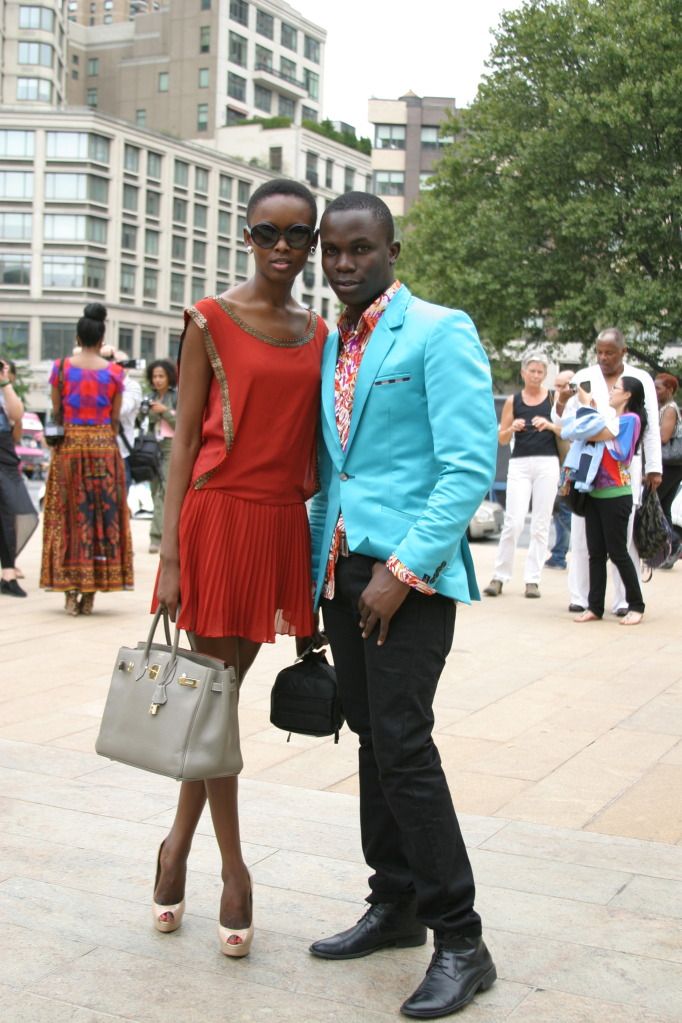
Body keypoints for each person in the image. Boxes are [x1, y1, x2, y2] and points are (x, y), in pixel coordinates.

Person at [307, 192, 498, 1020]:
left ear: (391, 247)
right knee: (373, 741)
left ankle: (462, 937)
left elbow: (466, 466)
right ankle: (395, 905)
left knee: (404, 743)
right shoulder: (330, 343)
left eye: (360, 249)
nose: (344, 263)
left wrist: (404, 569)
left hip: (407, 581)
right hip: (342, 571)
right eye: (332, 252)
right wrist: (320, 572)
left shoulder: (438, 329)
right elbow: (333, 467)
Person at [152, 179, 326, 958]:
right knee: (214, 706)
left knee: (218, 703)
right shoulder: (210, 319)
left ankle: (174, 847)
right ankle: (233, 869)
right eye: (268, 232)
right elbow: (183, 442)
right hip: (217, 520)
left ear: (312, 244)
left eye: (298, 235)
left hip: (280, 528)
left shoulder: (320, 332)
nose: (282, 248)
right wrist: (168, 555)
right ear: (245, 235)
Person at [553, 328, 661, 614]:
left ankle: (625, 600)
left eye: (609, 352)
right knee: (583, 537)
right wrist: (562, 401)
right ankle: (582, 597)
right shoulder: (583, 377)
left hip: (622, 471)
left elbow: (648, 428)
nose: (603, 357)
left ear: (623, 352)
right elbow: (564, 423)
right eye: (599, 352)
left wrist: (654, 467)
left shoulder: (640, 380)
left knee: (622, 541)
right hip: (588, 469)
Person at [40, 304, 133, 615]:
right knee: (100, 517)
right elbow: (115, 417)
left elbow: (56, 412)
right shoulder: (116, 373)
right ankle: (92, 590)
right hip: (104, 448)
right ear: (101, 336)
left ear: (78, 337)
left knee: (67, 517)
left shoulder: (61, 368)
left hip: (69, 448)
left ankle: (69, 590)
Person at [561, 377, 647, 625]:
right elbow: (582, 430)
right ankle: (594, 606)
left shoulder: (630, 420)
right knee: (595, 553)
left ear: (628, 395)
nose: (612, 391)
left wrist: (589, 411)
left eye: (617, 388)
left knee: (618, 552)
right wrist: (587, 408)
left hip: (616, 495)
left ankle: (636, 605)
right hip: (594, 494)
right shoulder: (608, 419)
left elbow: (609, 442)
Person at [483, 352, 560, 599]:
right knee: (513, 521)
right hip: (520, 462)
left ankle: (532, 579)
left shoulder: (552, 399)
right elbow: (502, 438)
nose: (536, 376)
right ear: (523, 373)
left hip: (547, 461)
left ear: (545, 375)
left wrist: (548, 425)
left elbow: (566, 429)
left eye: (540, 372)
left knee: (541, 522)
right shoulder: (513, 401)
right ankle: (500, 575)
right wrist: (512, 428)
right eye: (532, 371)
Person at [0, 358, 38, 597]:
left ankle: (9, 570)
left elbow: (17, 415)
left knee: (15, 509)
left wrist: (5, 381)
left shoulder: (5, 390)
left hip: (5, 453)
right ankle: (9, 571)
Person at [146, 358, 177, 554]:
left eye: (161, 376)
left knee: (164, 492)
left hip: (171, 446)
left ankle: (156, 537)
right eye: (155, 376)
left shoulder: (176, 397)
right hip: (152, 446)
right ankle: (164, 533)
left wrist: (164, 412)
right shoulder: (150, 397)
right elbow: (143, 422)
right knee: (155, 489)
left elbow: (181, 423)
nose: (157, 380)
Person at [544, 370, 575, 569]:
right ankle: (558, 554)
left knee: (564, 508)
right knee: (560, 509)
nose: (559, 390)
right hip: (559, 464)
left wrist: (549, 425)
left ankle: (585, 544)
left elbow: (569, 431)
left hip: (571, 465)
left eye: (563, 385)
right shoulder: (556, 404)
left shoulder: (576, 404)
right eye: (557, 385)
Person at [101, 346, 142, 492]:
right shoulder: (100, 383)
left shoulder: (132, 387)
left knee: (118, 507)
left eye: (120, 363)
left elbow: (119, 410)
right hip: (98, 451)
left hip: (120, 453)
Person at [654, 373, 682, 567]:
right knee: (664, 508)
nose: (655, 391)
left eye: (659, 388)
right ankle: (668, 552)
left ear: (670, 390)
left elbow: (663, 437)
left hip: (669, 464)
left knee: (654, 505)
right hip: (673, 466)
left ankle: (674, 542)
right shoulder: (664, 408)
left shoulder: (669, 409)